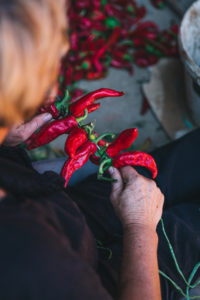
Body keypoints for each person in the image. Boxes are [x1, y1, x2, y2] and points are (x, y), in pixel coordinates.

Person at [0, 1, 199, 299]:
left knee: (171, 165)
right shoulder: (31, 260)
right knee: (187, 227)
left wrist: (6, 140)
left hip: (68, 214)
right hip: (114, 278)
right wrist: (140, 227)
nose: (53, 92)